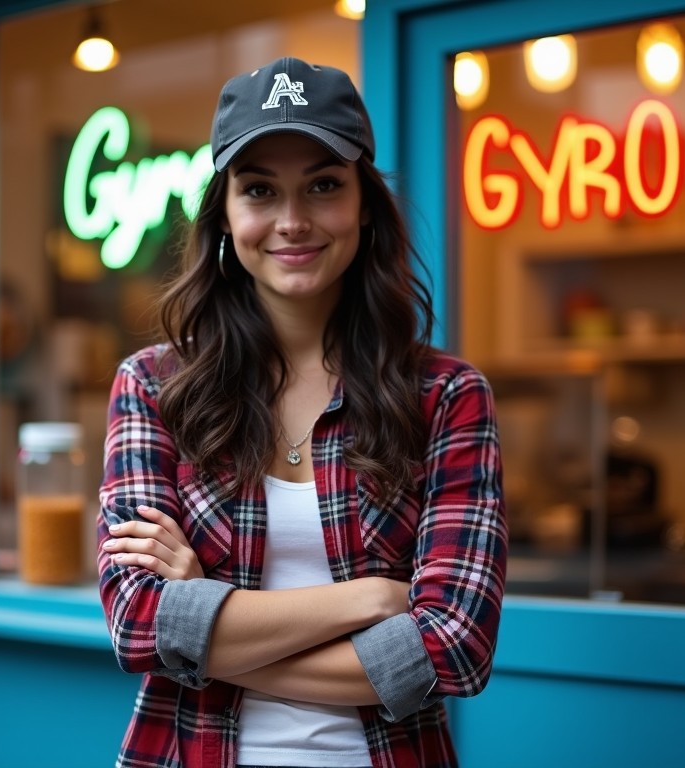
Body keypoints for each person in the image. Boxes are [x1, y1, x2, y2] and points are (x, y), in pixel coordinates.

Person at [98, 56, 507, 768]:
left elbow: (453, 650)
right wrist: (371, 599)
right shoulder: (153, 388)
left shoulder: (446, 397)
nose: (292, 222)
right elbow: (139, 626)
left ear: (363, 205)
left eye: (323, 185)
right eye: (260, 190)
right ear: (224, 214)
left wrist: (204, 613)